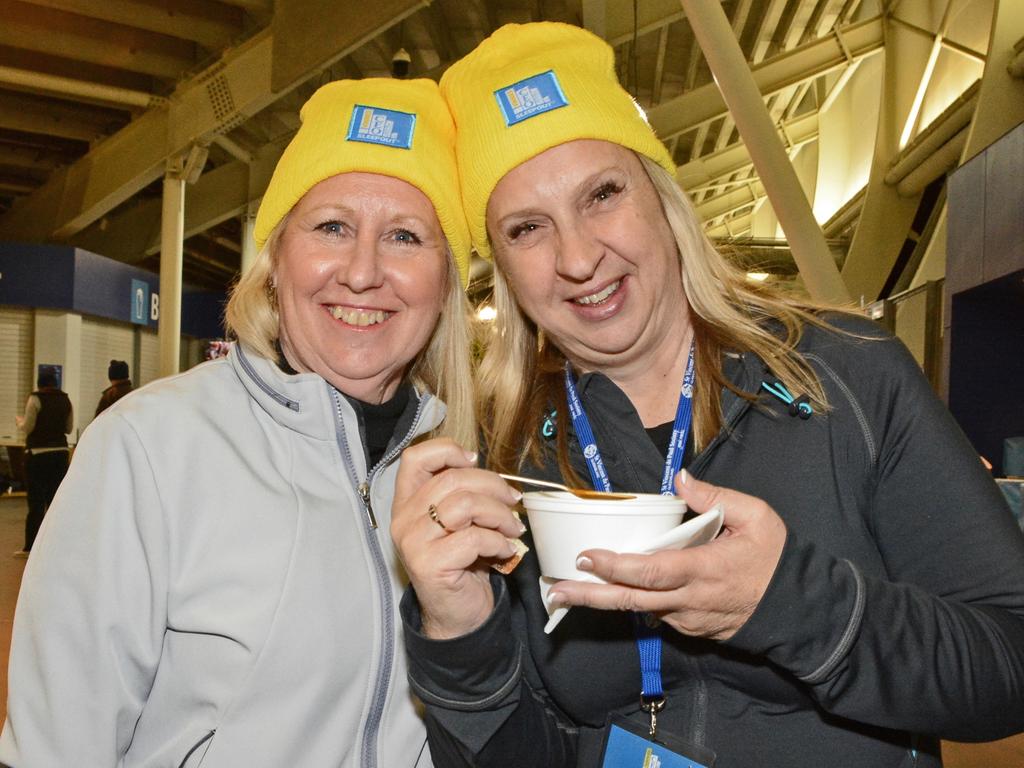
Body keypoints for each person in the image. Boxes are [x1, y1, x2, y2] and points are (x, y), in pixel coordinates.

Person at [389, 22, 1024, 768]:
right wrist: (459, 636)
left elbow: (1009, 662)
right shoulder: (510, 457)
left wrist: (794, 605)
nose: (580, 257)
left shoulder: (843, 376)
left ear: (662, 198)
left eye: (603, 193)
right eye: (528, 228)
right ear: (502, 266)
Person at [0, 77, 475, 767]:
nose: (363, 272)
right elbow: (55, 749)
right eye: (332, 227)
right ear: (276, 260)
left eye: (404, 236)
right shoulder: (150, 448)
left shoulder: (454, 472)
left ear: (444, 285)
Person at [14, 368, 72, 557]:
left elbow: (28, 427)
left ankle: (30, 547)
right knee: (55, 502)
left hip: (38, 454)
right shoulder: (66, 399)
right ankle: (58, 546)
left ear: (39, 383)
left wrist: (19, 422)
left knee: (36, 502)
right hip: (61, 454)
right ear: (55, 383)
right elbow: (69, 428)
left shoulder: (35, 399)